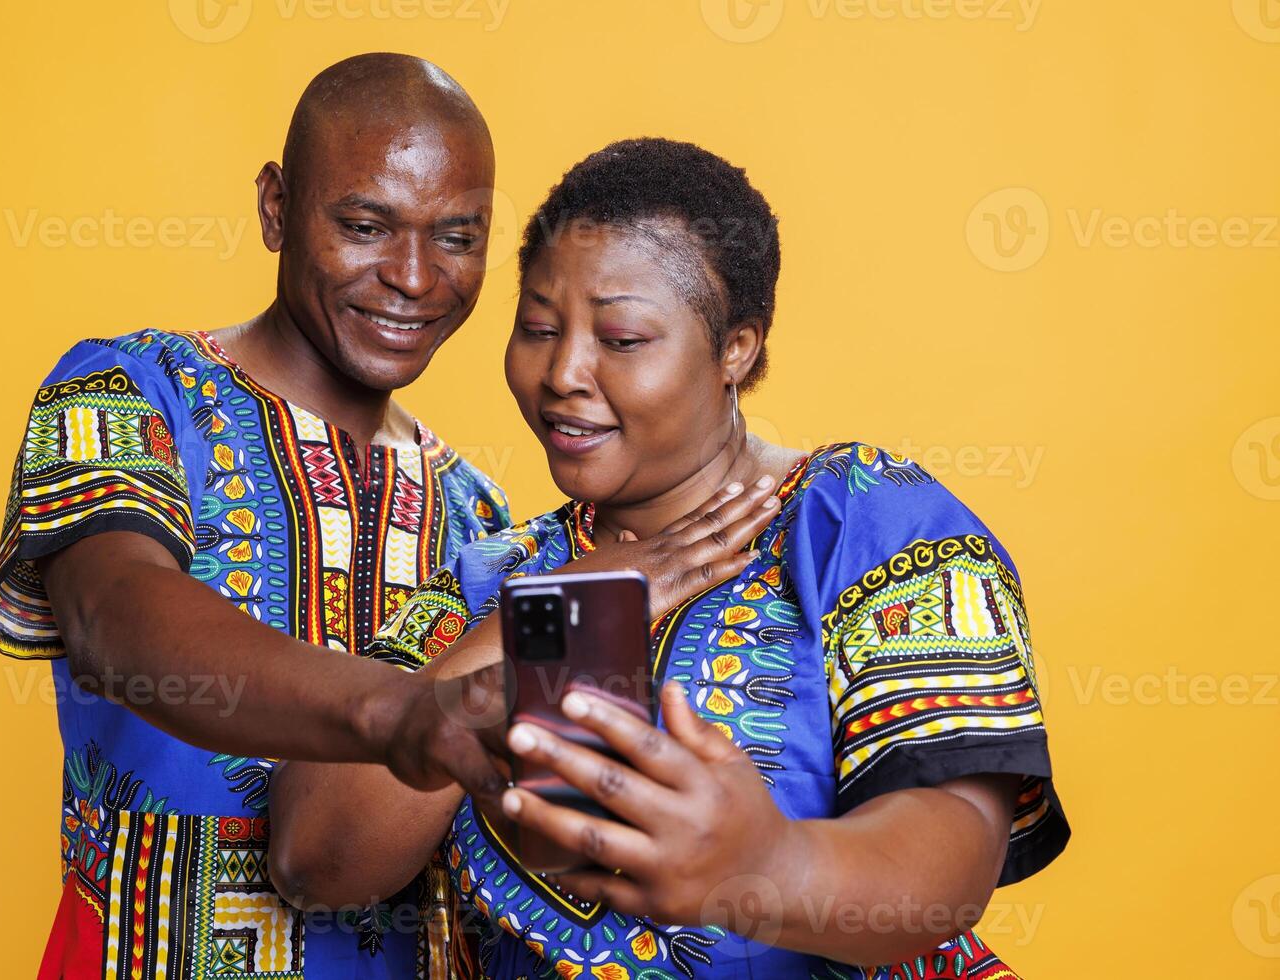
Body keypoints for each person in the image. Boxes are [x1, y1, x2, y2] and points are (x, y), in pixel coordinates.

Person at [271, 138, 1070, 978]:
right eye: (538, 328)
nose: (563, 373)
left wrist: (767, 867)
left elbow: (954, 855)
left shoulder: (861, 520)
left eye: (620, 338)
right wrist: (549, 610)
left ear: (736, 349)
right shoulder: (493, 574)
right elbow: (315, 858)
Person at [0, 53, 568, 979]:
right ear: (275, 208)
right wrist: (399, 713)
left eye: (457, 237)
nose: (414, 278)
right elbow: (114, 619)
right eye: (366, 225)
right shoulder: (126, 394)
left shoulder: (485, 517)